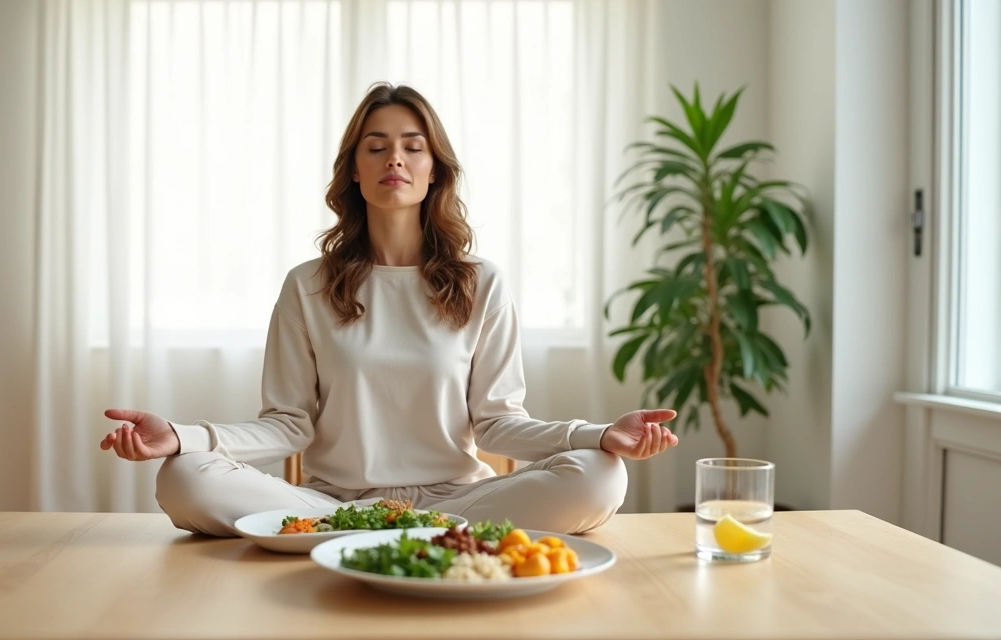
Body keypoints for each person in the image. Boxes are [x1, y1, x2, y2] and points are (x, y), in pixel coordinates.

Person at [100, 82, 679, 537]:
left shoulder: (482, 283)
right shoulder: (307, 285)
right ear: (355, 170)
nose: (394, 159)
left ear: (434, 170)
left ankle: (405, 534)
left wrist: (601, 435)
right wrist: (181, 436)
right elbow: (287, 424)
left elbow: (499, 425)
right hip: (333, 504)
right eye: (376, 147)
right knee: (185, 476)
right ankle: (389, 535)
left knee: (600, 474)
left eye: (412, 147)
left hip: (459, 502)